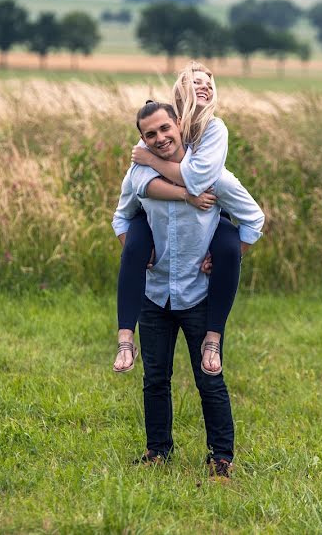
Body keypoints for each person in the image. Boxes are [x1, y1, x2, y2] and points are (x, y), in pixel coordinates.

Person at [120, 101, 264, 479]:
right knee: (155, 377)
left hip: (198, 293)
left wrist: (230, 256)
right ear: (142, 139)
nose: (160, 138)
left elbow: (254, 219)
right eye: (150, 134)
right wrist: (136, 251)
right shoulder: (139, 172)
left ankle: (221, 457)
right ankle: (157, 451)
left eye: (165, 128)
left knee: (209, 379)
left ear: (180, 124)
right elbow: (122, 214)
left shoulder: (212, 176)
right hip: (155, 292)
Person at [112, 61, 245, 376]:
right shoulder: (164, 128)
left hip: (211, 208)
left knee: (227, 247)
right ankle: (125, 336)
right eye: (194, 81)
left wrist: (185, 189)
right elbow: (138, 186)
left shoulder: (214, 127)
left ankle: (213, 336)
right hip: (161, 218)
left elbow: (198, 179)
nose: (203, 86)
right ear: (180, 91)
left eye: (208, 82)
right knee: (135, 243)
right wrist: (150, 159)